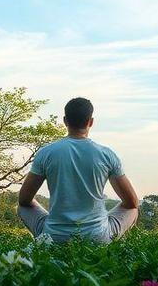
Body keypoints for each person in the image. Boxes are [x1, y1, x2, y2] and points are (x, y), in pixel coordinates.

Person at [16, 97, 139, 243]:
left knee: (22, 207)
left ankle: (46, 238)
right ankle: (113, 241)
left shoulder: (46, 153)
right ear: (90, 122)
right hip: (98, 237)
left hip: (54, 237)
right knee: (133, 210)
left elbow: (24, 200)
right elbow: (132, 202)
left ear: (65, 121)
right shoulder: (107, 155)